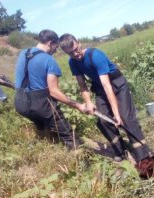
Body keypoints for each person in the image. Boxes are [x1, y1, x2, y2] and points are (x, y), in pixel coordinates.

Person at [59, 33, 149, 162]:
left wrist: (116, 114)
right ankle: (120, 150)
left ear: (78, 43)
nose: (76, 54)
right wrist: (88, 102)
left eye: (76, 50)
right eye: (71, 53)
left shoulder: (95, 55)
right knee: (103, 121)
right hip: (99, 87)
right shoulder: (73, 62)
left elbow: (107, 86)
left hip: (116, 84)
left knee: (126, 118)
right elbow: (82, 85)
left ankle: (143, 154)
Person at [14, 29, 87, 149]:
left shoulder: (23, 53)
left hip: (20, 103)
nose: (56, 50)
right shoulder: (49, 60)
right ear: (50, 43)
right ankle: (78, 155)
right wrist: (78, 105)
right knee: (71, 137)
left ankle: (45, 140)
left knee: (42, 125)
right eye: (56, 46)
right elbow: (54, 92)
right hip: (41, 104)